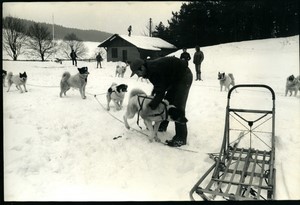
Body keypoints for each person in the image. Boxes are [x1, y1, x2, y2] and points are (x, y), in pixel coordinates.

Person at [129, 56, 193, 147]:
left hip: (183, 76)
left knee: (178, 106)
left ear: (142, 67)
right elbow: (158, 86)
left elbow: (160, 91)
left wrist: (150, 107)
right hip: (174, 79)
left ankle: (181, 138)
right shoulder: (150, 69)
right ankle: (162, 125)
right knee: (167, 101)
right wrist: (152, 98)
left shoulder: (153, 70)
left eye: (137, 72)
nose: (138, 76)